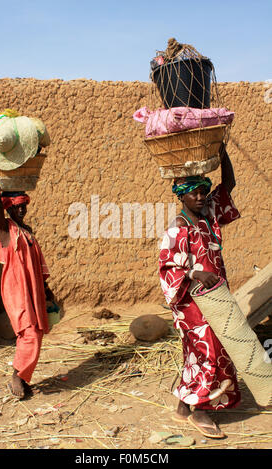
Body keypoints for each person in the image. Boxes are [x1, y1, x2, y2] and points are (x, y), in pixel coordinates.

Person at [159, 144, 241, 438]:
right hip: (191, 302)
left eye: (202, 191)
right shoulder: (178, 227)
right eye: (193, 192)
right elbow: (168, 268)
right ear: (180, 195)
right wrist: (196, 272)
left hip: (216, 298)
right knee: (206, 350)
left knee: (201, 352)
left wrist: (221, 151)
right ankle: (201, 411)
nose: (199, 196)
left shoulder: (208, 215)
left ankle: (184, 406)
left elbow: (228, 184)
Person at [0, 152, 51, 399]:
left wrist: (48, 291)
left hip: (33, 289)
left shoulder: (26, 230)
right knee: (28, 333)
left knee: (37, 333)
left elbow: (38, 263)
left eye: (24, 206)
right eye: (17, 207)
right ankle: (16, 377)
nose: (21, 211)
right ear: (10, 208)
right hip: (16, 289)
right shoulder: (6, 230)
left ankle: (23, 375)